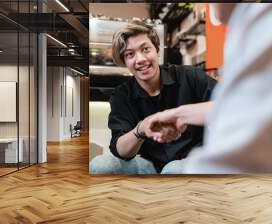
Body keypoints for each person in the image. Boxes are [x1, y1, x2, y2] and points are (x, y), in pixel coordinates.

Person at [146, 3, 272, 174]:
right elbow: (241, 104)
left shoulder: (266, 21)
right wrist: (179, 115)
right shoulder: (246, 25)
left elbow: (236, 159)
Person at [89, 20, 217, 174]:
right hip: (146, 166)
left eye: (145, 49)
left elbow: (232, 104)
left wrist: (180, 115)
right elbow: (120, 150)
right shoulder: (121, 95)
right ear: (124, 61)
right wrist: (141, 129)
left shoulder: (189, 76)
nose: (141, 59)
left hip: (191, 161)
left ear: (156, 49)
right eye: (130, 54)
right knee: (100, 165)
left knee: (174, 170)